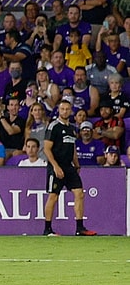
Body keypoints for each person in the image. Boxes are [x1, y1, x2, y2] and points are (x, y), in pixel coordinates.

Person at [43, 100, 97, 236]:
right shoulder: (53, 126)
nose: (65, 111)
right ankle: (47, 229)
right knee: (53, 196)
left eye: (67, 109)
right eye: (62, 109)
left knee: (79, 193)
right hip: (56, 166)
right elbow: (47, 149)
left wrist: (76, 163)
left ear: (71, 110)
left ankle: (79, 228)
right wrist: (55, 166)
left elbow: (72, 147)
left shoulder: (72, 128)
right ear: (59, 110)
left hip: (69, 166)